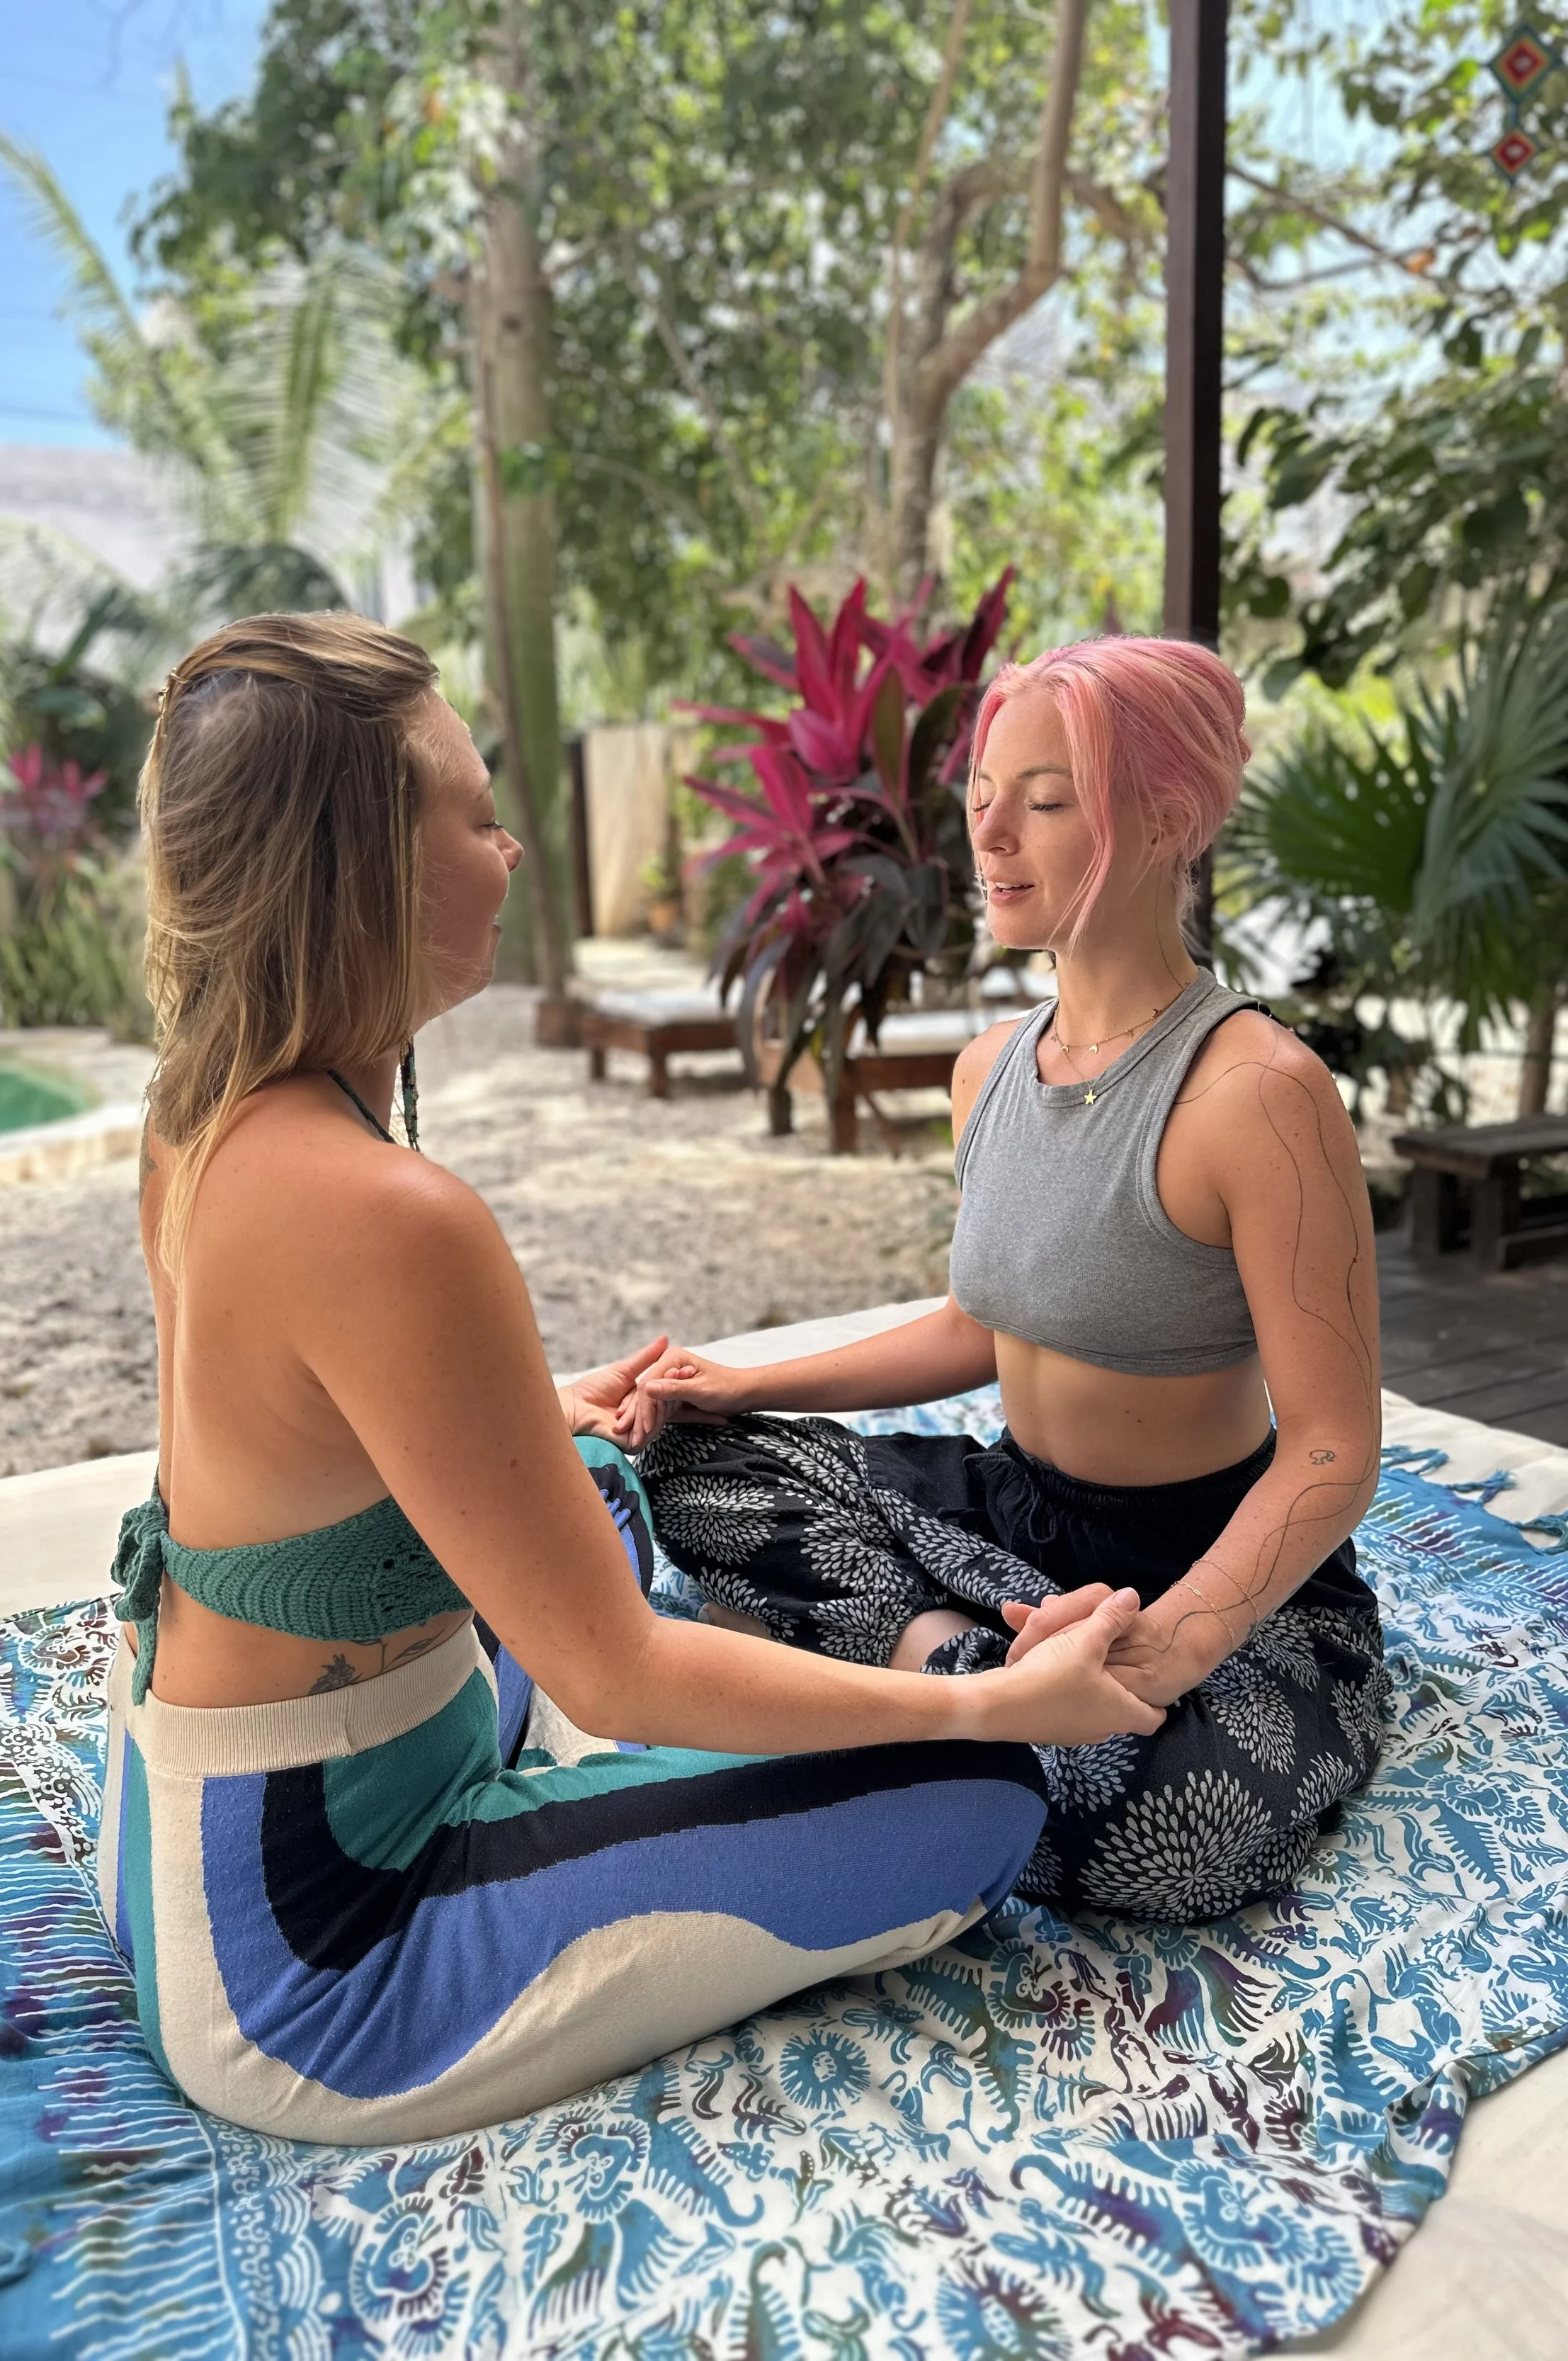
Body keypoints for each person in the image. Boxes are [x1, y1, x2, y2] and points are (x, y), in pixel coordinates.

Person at [94, 611, 1162, 2148]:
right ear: (364, 868)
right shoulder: (384, 1212)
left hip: (188, 1813)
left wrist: (523, 1413)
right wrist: (996, 1700)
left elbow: (278, 1436)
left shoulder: (202, 1110)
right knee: (979, 1800)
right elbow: (614, 1675)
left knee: (595, 1478)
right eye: (474, 812)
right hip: (315, 1944)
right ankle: (900, 1708)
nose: (510, 846)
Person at [624, 637, 1390, 1923]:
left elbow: (1331, 1449)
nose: (992, 836)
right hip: (1012, 1526)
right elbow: (980, 1325)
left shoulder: (1258, 1095)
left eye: (1045, 800)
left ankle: (941, 1703)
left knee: (1176, 1840)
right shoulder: (989, 1068)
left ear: (1165, 818)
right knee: (691, 1474)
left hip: (1202, 1560)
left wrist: (1177, 1641)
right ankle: (967, 1685)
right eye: (984, 796)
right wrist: (739, 1382)